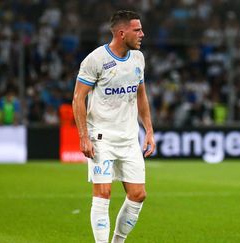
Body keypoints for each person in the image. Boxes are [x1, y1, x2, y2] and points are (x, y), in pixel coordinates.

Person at [72, 10, 155, 243]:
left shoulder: (138, 58)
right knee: (103, 193)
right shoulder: (95, 60)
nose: (142, 34)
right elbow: (78, 98)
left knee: (138, 195)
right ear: (122, 33)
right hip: (101, 137)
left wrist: (148, 130)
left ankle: (118, 241)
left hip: (129, 138)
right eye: (137, 30)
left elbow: (141, 96)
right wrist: (83, 137)